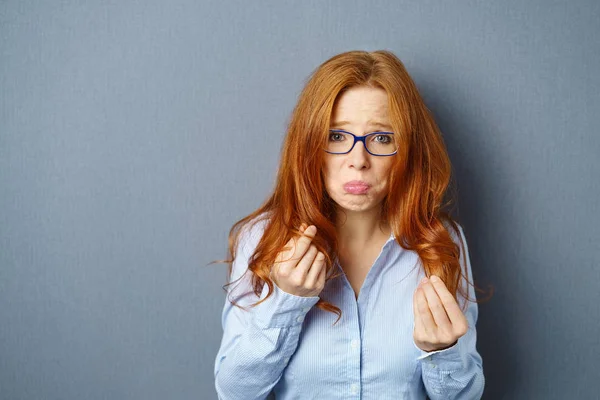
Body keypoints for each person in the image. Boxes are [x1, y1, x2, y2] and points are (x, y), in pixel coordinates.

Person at [213, 50, 485, 399]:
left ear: (407, 150)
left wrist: (442, 352)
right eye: (337, 137)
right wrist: (286, 302)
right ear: (310, 143)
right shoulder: (263, 239)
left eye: (382, 138)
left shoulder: (440, 242)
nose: (358, 161)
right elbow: (234, 392)